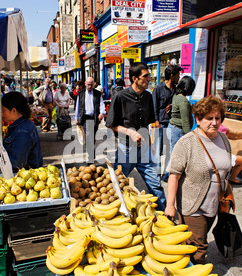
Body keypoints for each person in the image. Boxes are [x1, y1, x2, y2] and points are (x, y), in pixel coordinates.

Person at [164, 95, 232, 263]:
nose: (215, 122)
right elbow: (174, 176)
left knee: (198, 239)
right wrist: (170, 206)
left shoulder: (223, 139)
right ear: (198, 119)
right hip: (193, 206)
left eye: (218, 118)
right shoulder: (186, 143)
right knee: (199, 247)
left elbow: (226, 169)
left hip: (214, 205)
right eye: (209, 118)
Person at [106, 62, 166, 211]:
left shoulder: (148, 96)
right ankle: (118, 213)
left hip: (144, 149)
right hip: (126, 149)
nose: (149, 79)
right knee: (118, 184)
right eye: (145, 76)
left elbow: (147, 123)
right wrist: (130, 132)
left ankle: (165, 215)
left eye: (149, 76)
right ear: (134, 78)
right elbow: (111, 124)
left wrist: (150, 143)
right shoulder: (120, 97)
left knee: (156, 185)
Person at [152, 64, 182, 182]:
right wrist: (156, 121)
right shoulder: (159, 88)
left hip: (172, 123)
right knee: (158, 150)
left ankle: (166, 175)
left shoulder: (175, 89)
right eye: (178, 74)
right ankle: (155, 176)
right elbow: (153, 105)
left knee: (170, 151)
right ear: (171, 75)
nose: (179, 77)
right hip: (161, 123)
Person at [2, 92, 43, 171]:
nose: (2, 114)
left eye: (4, 110)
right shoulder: (23, 125)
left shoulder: (22, 132)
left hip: (25, 177)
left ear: (14, 110)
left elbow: (17, 163)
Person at [75, 77, 106, 163]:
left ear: (94, 85)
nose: (89, 86)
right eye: (88, 84)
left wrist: (102, 113)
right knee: (88, 136)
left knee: (92, 136)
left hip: (94, 118)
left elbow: (101, 104)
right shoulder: (81, 93)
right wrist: (76, 118)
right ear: (85, 84)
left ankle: (91, 151)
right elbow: (78, 106)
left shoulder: (97, 93)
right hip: (85, 118)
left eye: (91, 85)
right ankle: (90, 157)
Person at [169, 75, 196, 151]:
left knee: (173, 152)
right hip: (178, 130)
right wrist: (189, 137)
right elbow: (185, 122)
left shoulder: (176, 95)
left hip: (173, 128)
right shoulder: (183, 100)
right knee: (177, 155)